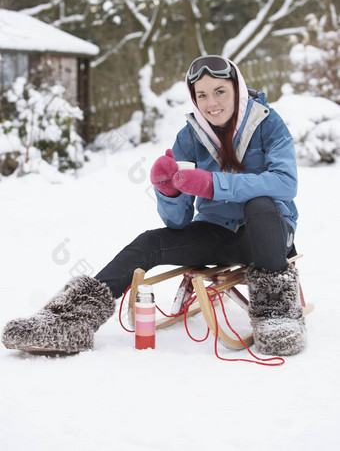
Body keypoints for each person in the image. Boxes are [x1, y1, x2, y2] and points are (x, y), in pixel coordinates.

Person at [2, 55, 306, 356]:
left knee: (261, 203)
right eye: (202, 95)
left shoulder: (268, 122)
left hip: (270, 236)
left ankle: (277, 315)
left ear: (237, 89)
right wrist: (169, 192)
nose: (211, 103)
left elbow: (285, 183)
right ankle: (70, 320)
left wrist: (213, 184)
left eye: (220, 91)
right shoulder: (190, 137)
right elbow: (178, 222)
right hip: (216, 232)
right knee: (151, 241)